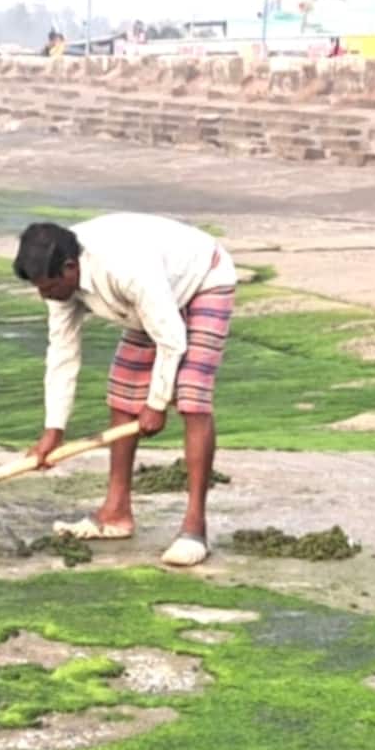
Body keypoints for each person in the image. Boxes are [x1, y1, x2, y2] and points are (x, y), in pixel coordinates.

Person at [15, 215, 238, 567]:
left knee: (193, 398)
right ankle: (116, 513)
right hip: (148, 302)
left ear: (70, 267)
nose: (47, 296)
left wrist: (157, 402)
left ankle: (195, 527)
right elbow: (62, 353)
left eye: (50, 287)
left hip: (202, 278)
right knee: (122, 395)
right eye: (40, 289)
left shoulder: (124, 267)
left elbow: (172, 339)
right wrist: (52, 431)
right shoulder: (57, 282)